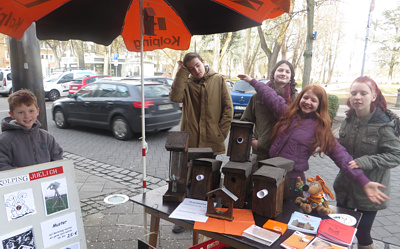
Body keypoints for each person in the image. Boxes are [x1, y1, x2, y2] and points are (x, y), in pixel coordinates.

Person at [237, 74, 389, 204]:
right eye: (306, 97)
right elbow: (271, 97)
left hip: (292, 180)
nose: (308, 102)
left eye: (314, 100)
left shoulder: (320, 129)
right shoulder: (287, 113)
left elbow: (341, 156)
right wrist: (253, 82)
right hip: (269, 172)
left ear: (319, 105)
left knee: (286, 217)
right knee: (263, 210)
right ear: (300, 98)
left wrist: (363, 181)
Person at [169, 52, 233, 233]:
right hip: (191, 140)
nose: (196, 70)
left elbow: (228, 109)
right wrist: (181, 72)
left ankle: (208, 213)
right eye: (190, 68)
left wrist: (220, 133)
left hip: (211, 140)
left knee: (209, 177)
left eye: (197, 65)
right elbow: (174, 97)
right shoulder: (187, 83)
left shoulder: (219, 80)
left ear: (203, 62)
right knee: (188, 178)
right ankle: (186, 217)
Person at [333, 76, 400, 249]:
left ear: (374, 96)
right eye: (354, 93)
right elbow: (343, 148)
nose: (357, 97)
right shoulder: (348, 119)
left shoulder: (384, 125)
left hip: (370, 191)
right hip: (345, 187)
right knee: (342, 229)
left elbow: (396, 155)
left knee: (363, 234)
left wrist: (365, 161)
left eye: (363, 93)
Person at [240, 60, 297, 161]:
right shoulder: (257, 97)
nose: (283, 73)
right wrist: (253, 141)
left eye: (287, 72)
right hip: (261, 152)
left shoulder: (296, 99)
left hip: (284, 154)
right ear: (273, 73)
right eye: (280, 70)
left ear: (291, 77)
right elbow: (245, 121)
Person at [0, 89, 63, 171]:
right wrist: (28, 176)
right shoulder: (5, 141)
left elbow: (57, 158)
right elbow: (2, 165)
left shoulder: (47, 137)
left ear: (37, 111)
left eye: (31, 111)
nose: (27, 116)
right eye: (21, 112)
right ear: (12, 114)